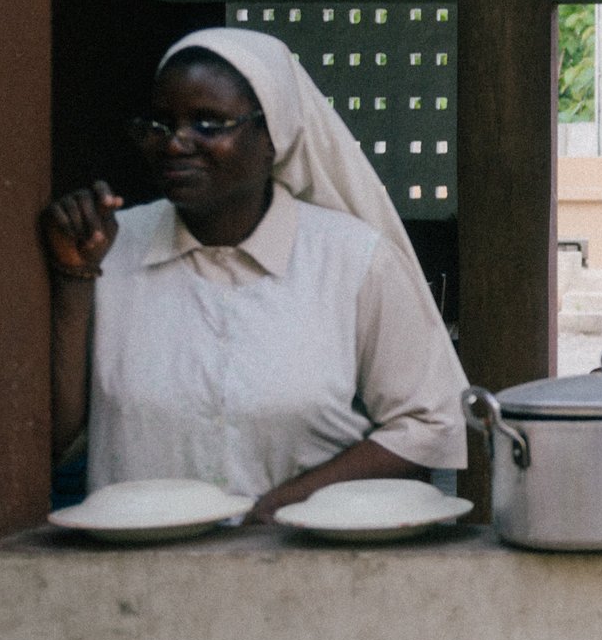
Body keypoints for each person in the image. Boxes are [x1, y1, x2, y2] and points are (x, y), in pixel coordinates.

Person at [42, 28, 471, 521]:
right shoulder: (108, 248)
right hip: (140, 580)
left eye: (208, 123)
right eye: (160, 124)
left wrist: (279, 508)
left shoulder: (353, 261)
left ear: (273, 138)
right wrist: (74, 279)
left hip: (306, 571)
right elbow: (54, 440)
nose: (176, 144)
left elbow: (430, 422)